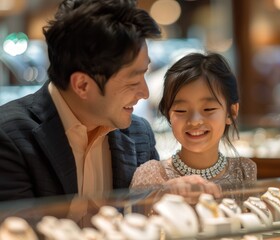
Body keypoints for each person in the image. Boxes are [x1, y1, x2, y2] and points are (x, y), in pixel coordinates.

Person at [0, 0, 162, 201]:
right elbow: (18, 230)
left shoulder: (140, 135)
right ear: (82, 85)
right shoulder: (10, 136)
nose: (145, 93)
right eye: (132, 81)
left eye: (145, 73)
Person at [130, 52, 257, 195]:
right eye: (181, 110)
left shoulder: (244, 170)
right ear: (168, 114)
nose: (195, 121)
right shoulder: (151, 175)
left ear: (231, 112)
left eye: (208, 109)